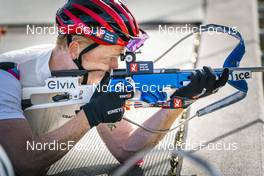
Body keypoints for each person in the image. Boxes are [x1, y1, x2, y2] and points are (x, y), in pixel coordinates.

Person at [0, 0, 229, 175]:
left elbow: (126, 149)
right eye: (110, 57)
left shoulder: (92, 75)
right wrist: (91, 116)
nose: (114, 67)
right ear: (75, 50)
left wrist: (179, 102)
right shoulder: (7, 74)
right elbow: (22, 163)